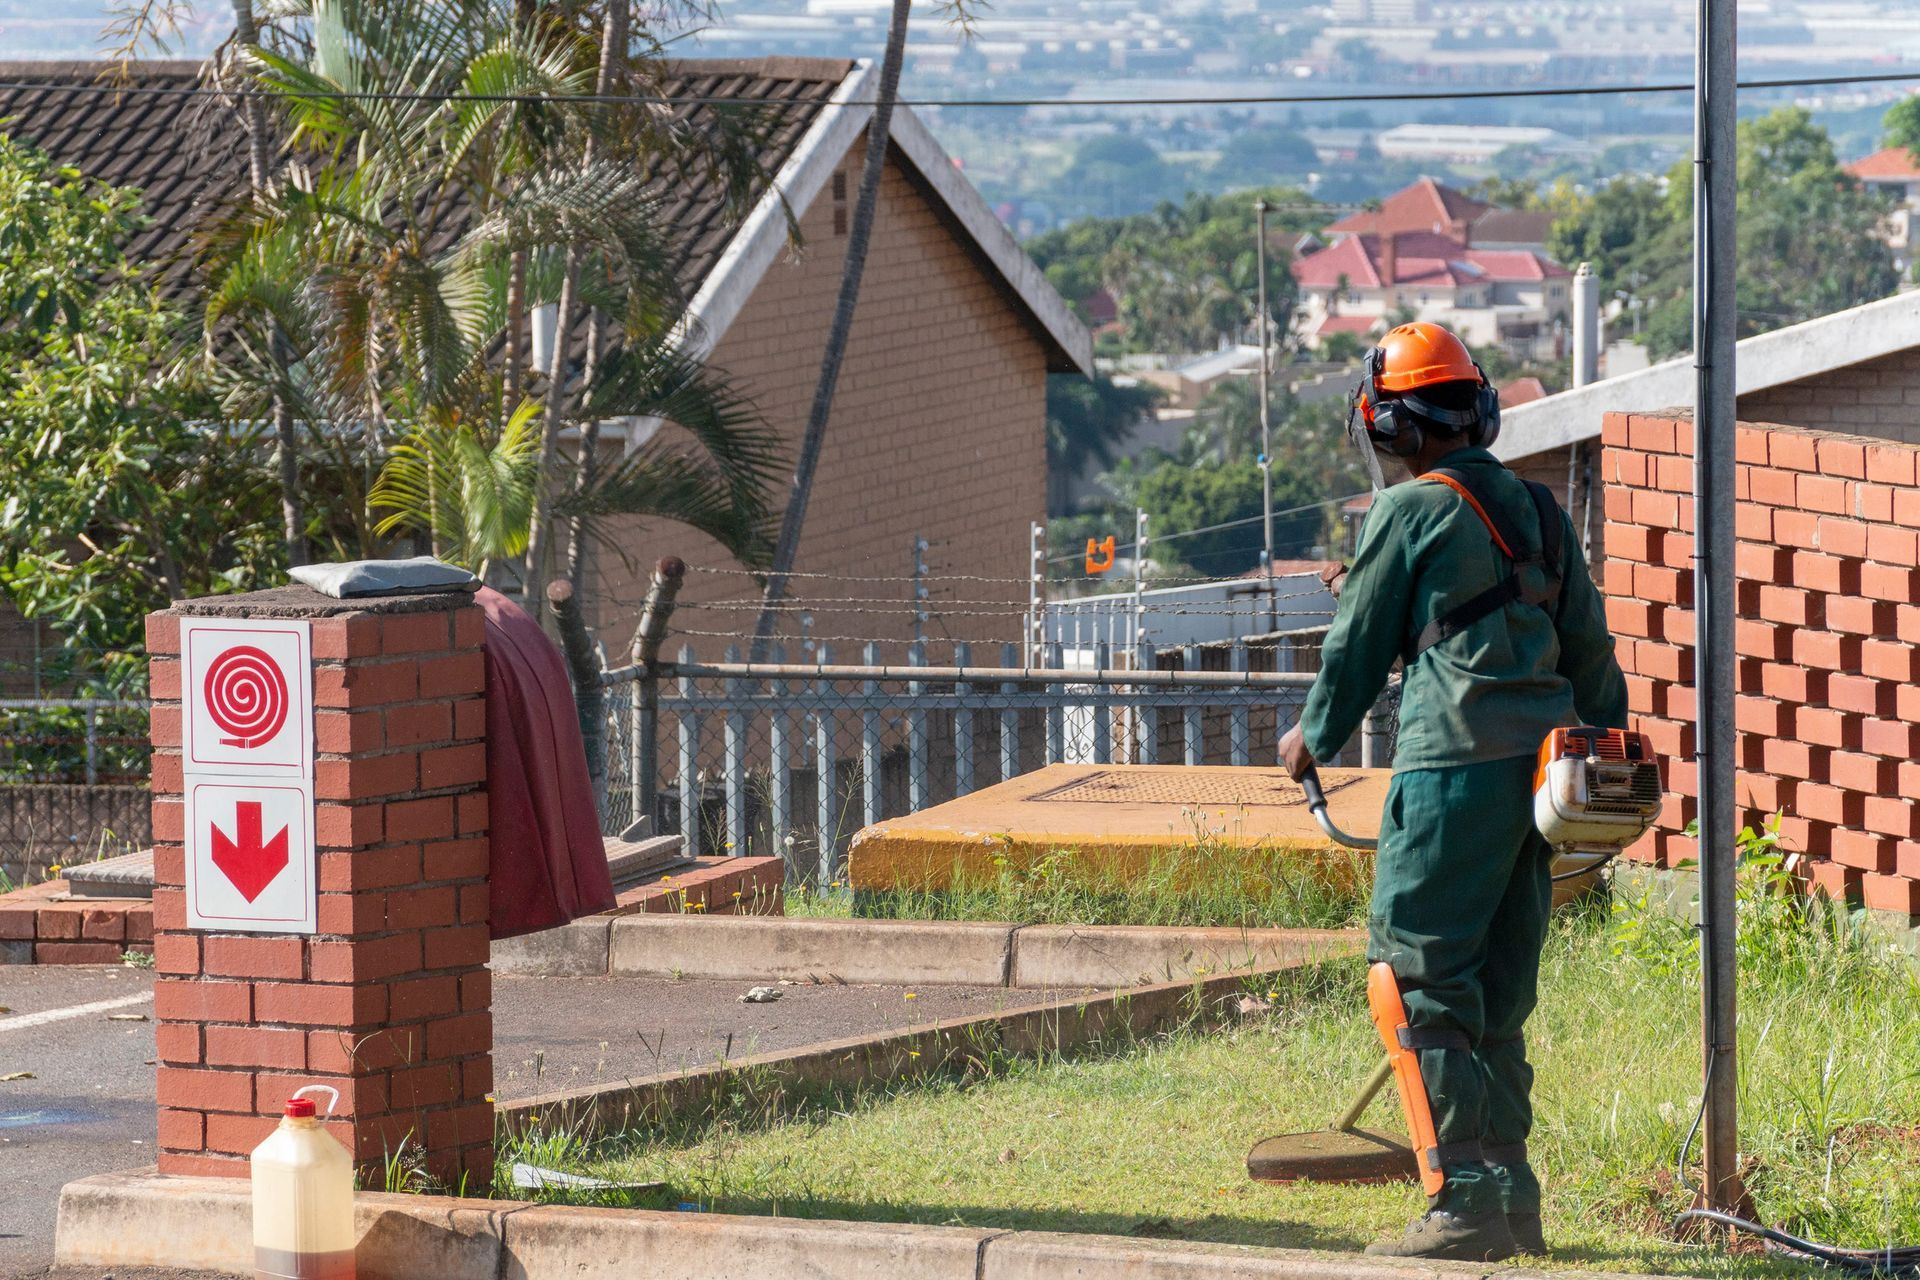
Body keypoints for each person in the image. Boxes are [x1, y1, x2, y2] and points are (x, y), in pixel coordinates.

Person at [1278, 322, 1627, 1262]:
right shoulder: (1543, 514)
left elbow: (1356, 647)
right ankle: (1512, 1198)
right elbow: (1589, 651)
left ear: (1391, 428)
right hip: (1544, 778)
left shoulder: (1405, 513)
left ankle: (1460, 1200)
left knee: (1420, 979)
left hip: (1453, 770)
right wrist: (1603, 754)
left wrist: (1312, 736)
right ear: (1478, 409)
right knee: (1499, 992)